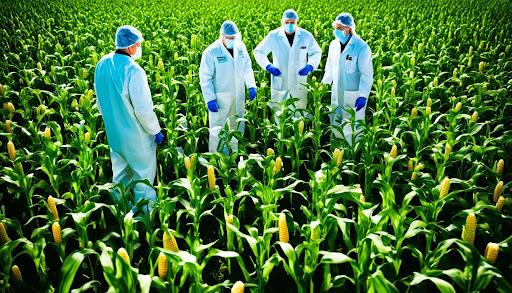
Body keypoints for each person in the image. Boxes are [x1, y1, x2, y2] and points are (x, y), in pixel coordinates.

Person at [94, 25, 164, 213]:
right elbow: (143, 109)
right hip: (136, 137)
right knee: (143, 178)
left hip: (114, 135)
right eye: (138, 44)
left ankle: (122, 215)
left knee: (121, 177)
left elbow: (100, 102)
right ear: (130, 46)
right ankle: (145, 217)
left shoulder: (101, 64)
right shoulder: (133, 70)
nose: (139, 47)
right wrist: (155, 131)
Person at [254, 9, 321, 123]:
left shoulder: (305, 36)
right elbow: (258, 51)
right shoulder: (274, 35)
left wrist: (310, 65)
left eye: (292, 22)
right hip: (281, 79)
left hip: (298, 81)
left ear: (296, 22)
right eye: (286, 22)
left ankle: (298, 137)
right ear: (282, 22)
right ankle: (280, 137)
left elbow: (316, 52)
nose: (289, 25)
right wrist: (268, 66)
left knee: (299, 113)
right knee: (279, 112)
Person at [199, 20, 256, 154]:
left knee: (236, 126)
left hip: (238, 96)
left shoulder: (240, 47)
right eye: (230, 38)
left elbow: (247, 67)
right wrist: (209, 99)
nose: (232, 40)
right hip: (220, 99)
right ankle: (218, 158)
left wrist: (251, 85)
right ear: (222, 36)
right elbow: (205, 77)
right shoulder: (211, 51)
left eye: (234, 37)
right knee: (218, 130)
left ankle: (236, 155)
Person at [321, 13, 373, 147]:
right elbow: (330, 66)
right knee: (336, 123)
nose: (336, 31)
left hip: (353, 95)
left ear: (348, 29)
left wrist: (363, 95)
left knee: (352, 127)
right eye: (335, 28)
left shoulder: (361, 47)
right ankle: (336, 154)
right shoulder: (333, 45)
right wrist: (324, 83)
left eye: (339, 28)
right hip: (336, 92)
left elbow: (366, 74)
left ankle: (353, 155)